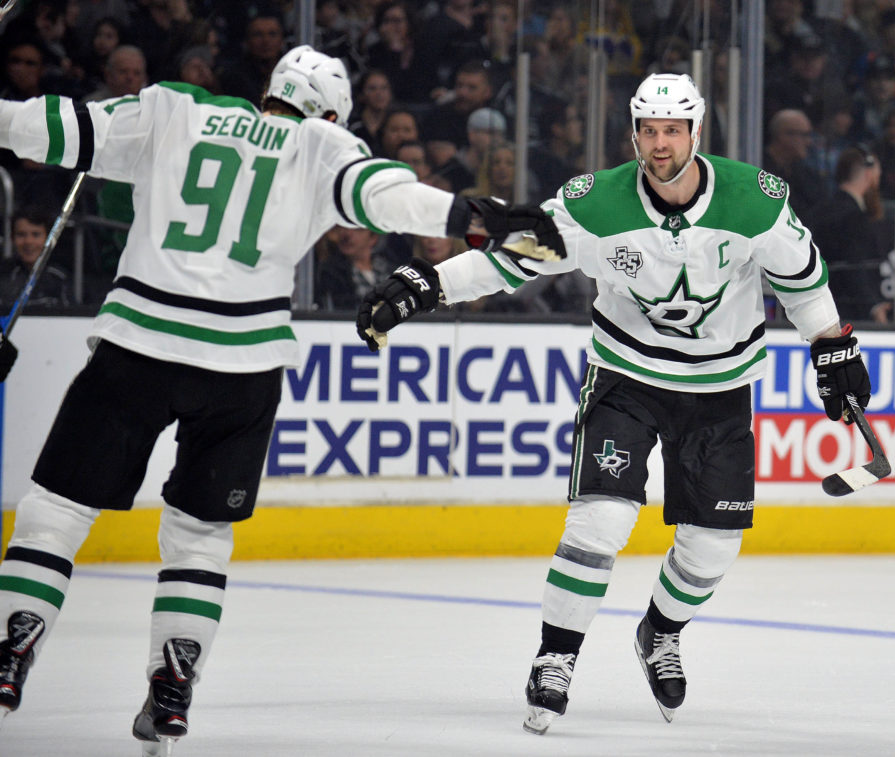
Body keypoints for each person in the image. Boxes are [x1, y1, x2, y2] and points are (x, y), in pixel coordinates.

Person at [0, 44, 559, 752]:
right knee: (200, 533)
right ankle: (172, 687)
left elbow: (38, 127)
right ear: (330, 112)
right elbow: (389, 197)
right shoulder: (322, 143)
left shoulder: (175, 106)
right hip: (243, 365)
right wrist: (476, 216)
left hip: (139, 345)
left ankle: (13, 647)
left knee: (56, 511)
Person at [356, 73, 871, 734]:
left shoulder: (755, 200)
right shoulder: (594, 204)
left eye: (672, 130)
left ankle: (659, 631)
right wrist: (427, 284)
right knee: (598, 522)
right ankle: (555, 657)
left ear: (695, 130)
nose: (660, 145)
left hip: (719, 389)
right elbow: (514, 260)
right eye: (649, 131)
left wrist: (832, 348)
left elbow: (802, 280)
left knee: (712, 546)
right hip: (626, 379)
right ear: (634, 132)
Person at [806, 145, 890, 322]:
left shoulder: (819, 210)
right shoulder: (853, 216)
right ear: (870, 175)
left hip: (818, 308)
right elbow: (855, 267)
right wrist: (873, 306)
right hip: (849, 313)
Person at [0, 206, 72, 310]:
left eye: (36, 235)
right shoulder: (3, 274)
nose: (28, 241)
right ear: (12, 238)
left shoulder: (60, 278)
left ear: (48, 239)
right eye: (21, 234)